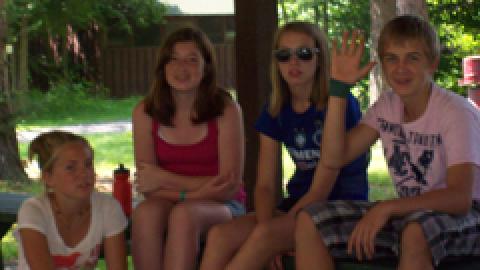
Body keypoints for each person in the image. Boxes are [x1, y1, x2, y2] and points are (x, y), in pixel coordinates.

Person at [295, 15, 480, 270]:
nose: (400, 68)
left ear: (432, 64)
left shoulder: (455, 111)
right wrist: (338, 90)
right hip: (409, 213)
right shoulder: (387, 106)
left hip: (469, 218)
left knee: (416, 231)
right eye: (391, 58)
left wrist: (387, 208)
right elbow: (335, 158)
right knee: (311, 220)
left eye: (412, 58)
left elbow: (460, 198)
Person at [199, 21, 369, 270]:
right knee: (219, 236)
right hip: (297, 205)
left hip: (340, 208)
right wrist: (268, 229)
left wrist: (271, 236)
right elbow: (265, 186)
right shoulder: (276, 107)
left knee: (264, 237)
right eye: (283, 55)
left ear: (320, 59)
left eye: (304, 53)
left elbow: (321, 190)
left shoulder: (340, 104)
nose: (293, 62)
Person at [131, 26, 246, 270]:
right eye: (173, 59)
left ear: (206, 68)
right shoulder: (145, 112)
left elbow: (229, 185)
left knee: (184, 215)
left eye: (192, 60)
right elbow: (148, 187)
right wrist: (193, 193)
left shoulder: (225, 109)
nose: (182, 68)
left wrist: (165, 179)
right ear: (163, 67)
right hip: (172, 200)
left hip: (226, 205)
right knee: (145, 213)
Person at [15, 130, 128, 269]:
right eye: (71, 168)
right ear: (48, 177)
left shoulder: (108, 207)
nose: (84, 173)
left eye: (88, 164)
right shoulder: (33, 210)